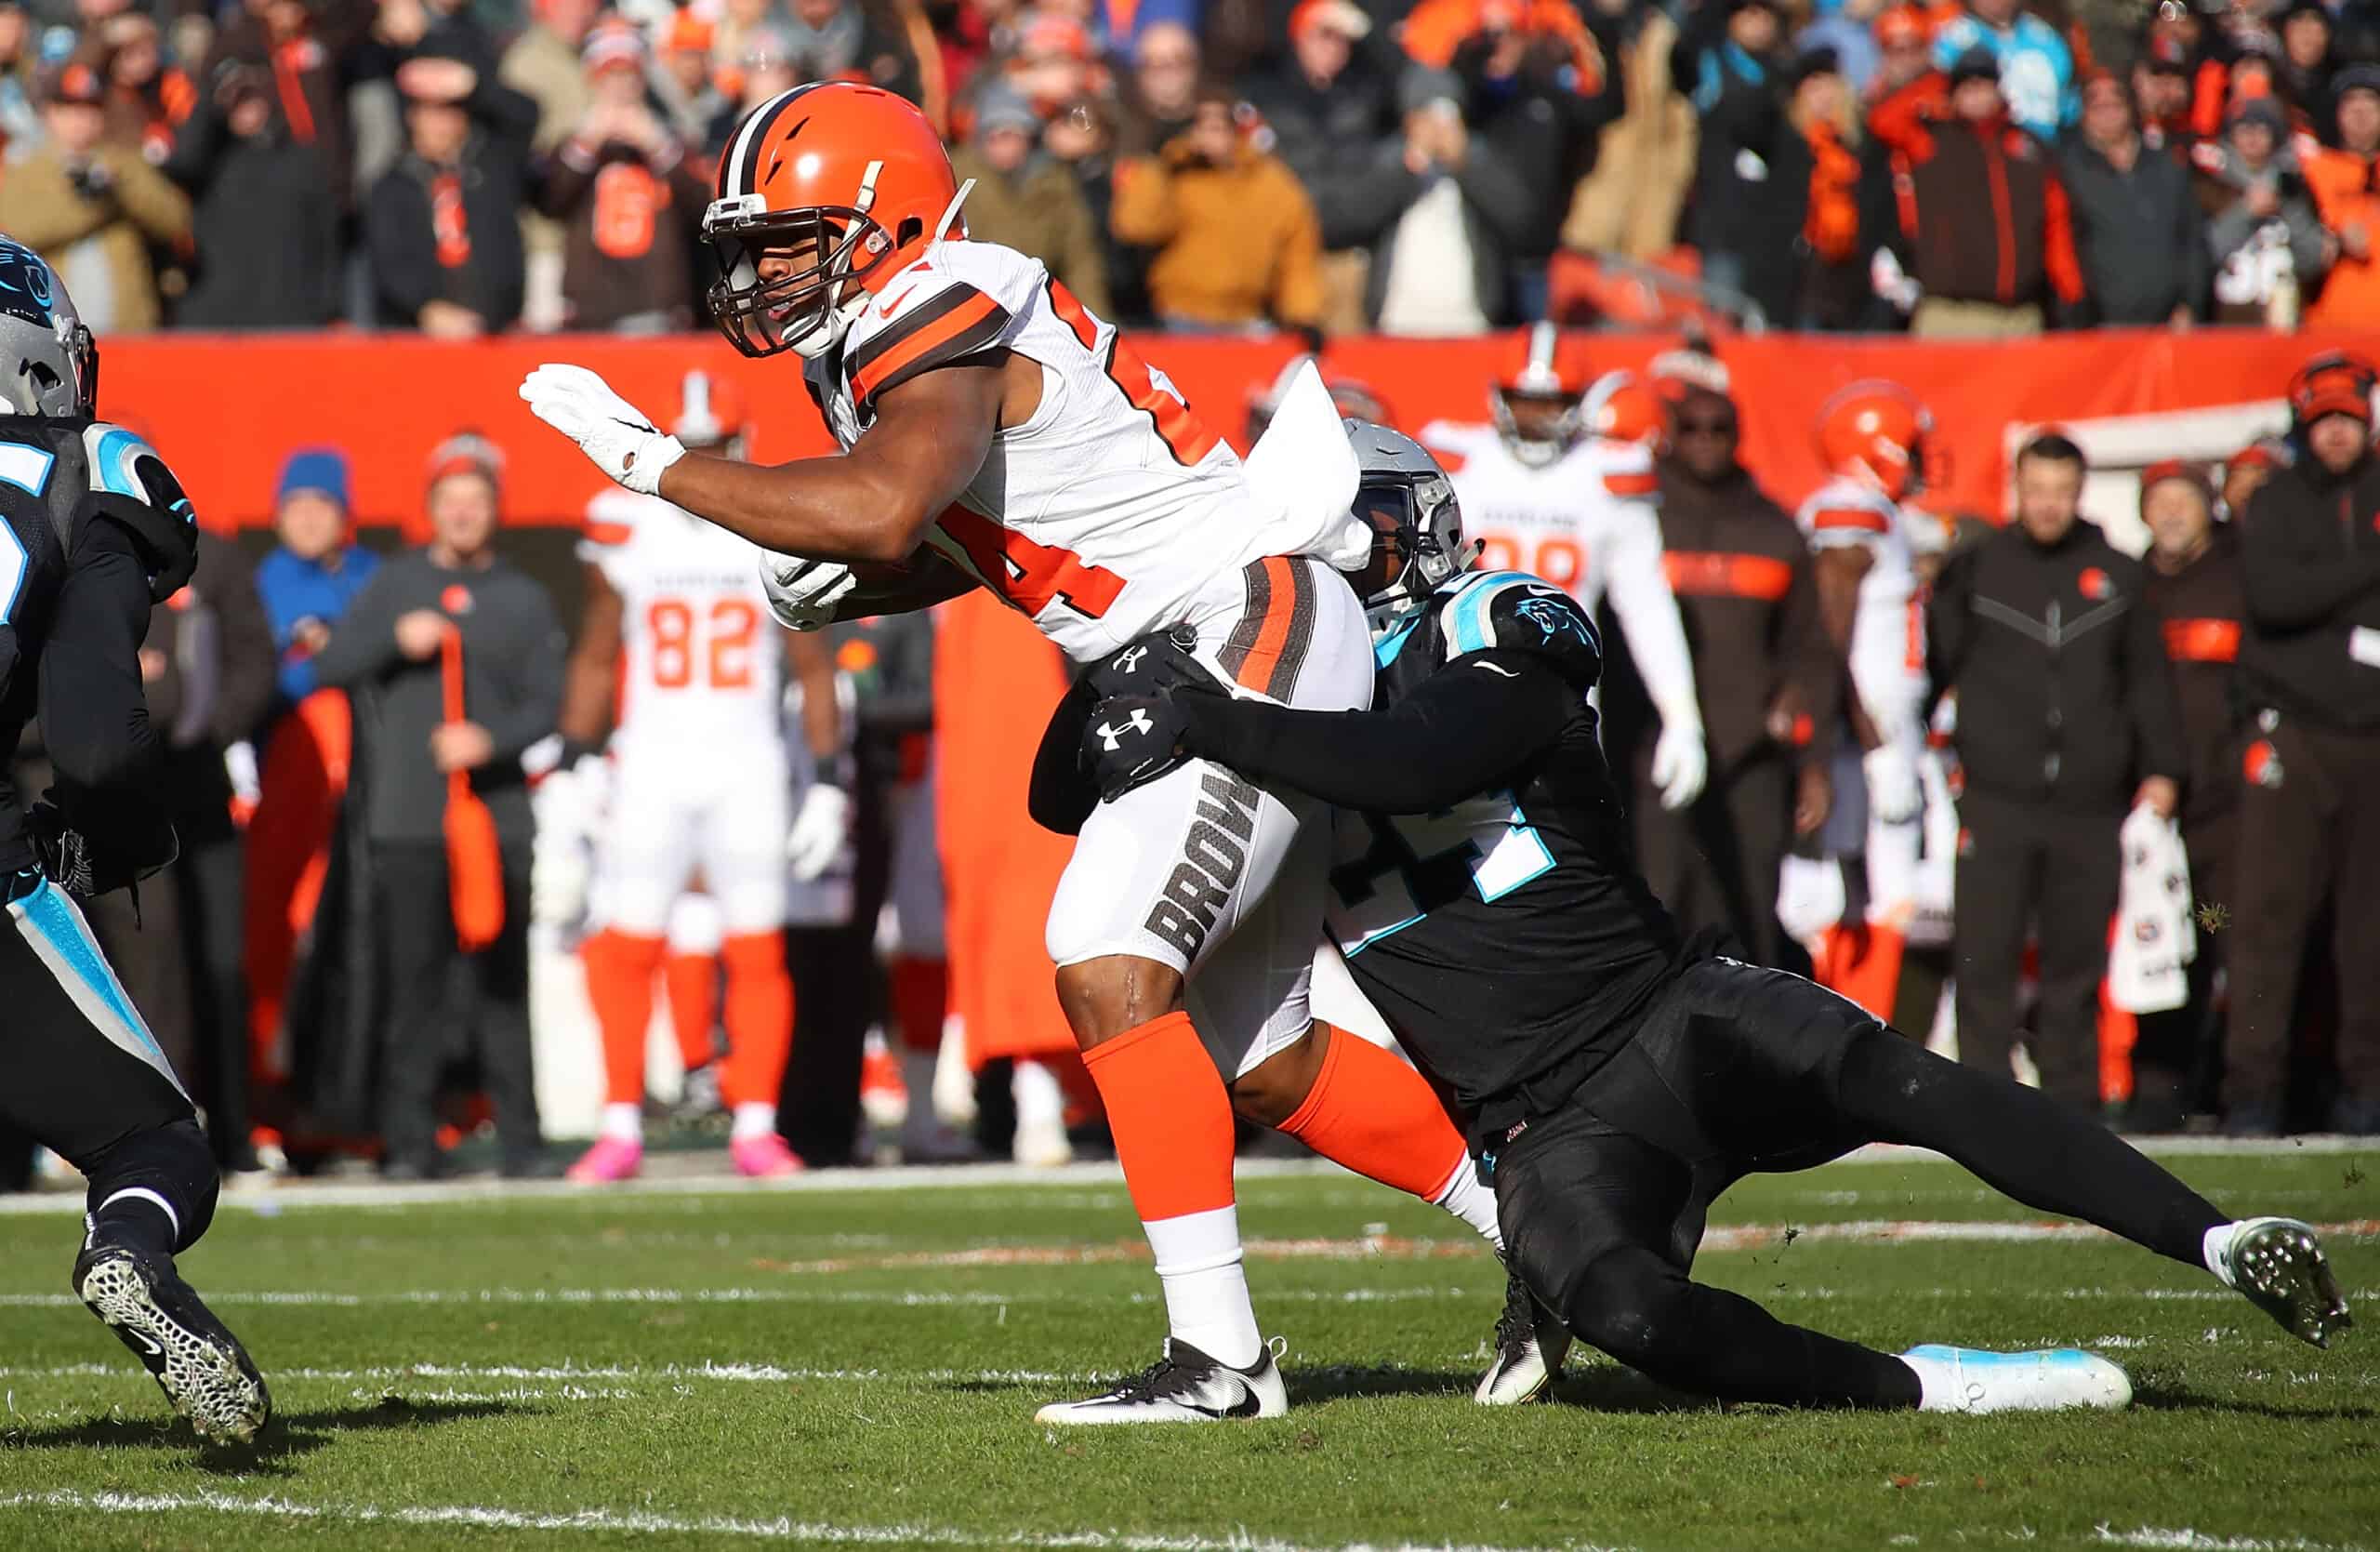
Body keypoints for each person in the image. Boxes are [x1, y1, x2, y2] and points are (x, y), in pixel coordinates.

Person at [521, 81, 1518, 1424]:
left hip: (1237, 621)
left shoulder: (946, 296)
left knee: (1108, 960)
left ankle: (1222, 1361)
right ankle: (1552, 1229)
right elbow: (988, 529)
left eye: (786, 239)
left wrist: (658, 467)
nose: (757, 273)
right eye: (746, 245)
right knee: (1263, 1055)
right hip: (1201, 631)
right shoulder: (882, 334)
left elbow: (886, 508)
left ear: (887, 224)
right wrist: (859, 579)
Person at [1076, 420, 2352, 1416]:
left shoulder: (1500, 616)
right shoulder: (1276, 680)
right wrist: (1131, 671)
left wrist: (1214, 717)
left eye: (1345, 535)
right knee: (1633, 1320)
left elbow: (1419, 760)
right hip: (1537, 1123)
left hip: (1671, 1015)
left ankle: (2221, 1238)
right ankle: (1935, 1382)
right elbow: (1057, 787)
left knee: (1897, 1081)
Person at [0, 236, 268, 1442]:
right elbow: (98, 727)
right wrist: (119, 835)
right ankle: (130, 1254)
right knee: (153, 1142)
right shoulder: (88, 465)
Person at [540, 372, 828, 1182]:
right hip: (655, 765)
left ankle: (757, 1126)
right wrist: (571, 756)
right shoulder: (633, 532)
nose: (705, 462)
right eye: (693, 447)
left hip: (748, 768)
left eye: (716, 446)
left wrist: (830, 777)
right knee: (628, 941)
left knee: (758, 947)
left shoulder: (774, 530)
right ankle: (621, 1124)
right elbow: (598, 651)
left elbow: (812, 663)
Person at [311, 436, 563, 1179]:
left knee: (501, 982)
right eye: (449, 502)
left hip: (495, 820)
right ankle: (410, 1140)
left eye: (475, 501)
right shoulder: (394, 586)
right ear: (429, 512)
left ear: (494, 511)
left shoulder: (524, 598)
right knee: (412, 981)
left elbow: (549, 704)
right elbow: (329, 665)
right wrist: (394, 640)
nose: (462, 514)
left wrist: (489, 739)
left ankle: (522, 1138)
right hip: (410, 821)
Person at [1927, 432, 2186, 1112]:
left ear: (2080, 492)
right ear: (2017, 488)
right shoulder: (1979, 567)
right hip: (1995, 797)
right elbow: (1934, 663)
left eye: (2061, 492)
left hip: (2089, 802)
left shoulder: (2119, 574)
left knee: (2075, 966)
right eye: (2035, 490)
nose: (2047, 505)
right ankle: (1981, 1101)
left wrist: (2162, 770)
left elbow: (2147, 683)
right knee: (1985, 955)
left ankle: (2074, 1105)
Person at [1419, 326, 1708, 816]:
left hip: (1563, 712)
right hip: (1457, 696)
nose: (1535, 418)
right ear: (1499, 397)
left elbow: (1646, 605)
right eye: (1524, 400)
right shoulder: (1456, 459)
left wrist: (1682, 717)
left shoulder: (1607, 474)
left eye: (1550, 403)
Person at [2226, 353, 2380, 1136]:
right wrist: (2365, 573)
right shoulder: (2277, 500)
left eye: (2349, 417)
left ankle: (2367, 1093)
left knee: (2369, 931)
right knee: (2265, 925)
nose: (2338, 433)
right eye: (2324, 419)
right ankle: (2252, 1094)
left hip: (2373, 742)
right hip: (2295, 735)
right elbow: (2277, 600)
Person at [1648, 380, 1837, 969]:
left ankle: (1742, 1054)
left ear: (1739, 437)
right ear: (1670, 436)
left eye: (1719, 429)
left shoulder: (1775, 530)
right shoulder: (1639, 523)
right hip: (1651, 760)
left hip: (1751, 761)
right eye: (1691, 429)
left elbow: (1811, 651)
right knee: (1650, 916)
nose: (1705, 441)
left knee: (1745, 921)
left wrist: (1814, 766)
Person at [1795, 379, 1941, 1015]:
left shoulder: (1874, 512)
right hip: (1865, 730)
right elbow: (1830, 624)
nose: (1920, 457)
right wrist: (1862, 728)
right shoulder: (1851, 507)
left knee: (1874, 890)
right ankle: (1850, 1032)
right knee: (1853, 890)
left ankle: (1857, 1031)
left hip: (1875, 724)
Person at [2134, 459, 2243, 1134]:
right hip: (2147, 806)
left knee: (2222, 938)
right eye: (2160, 500)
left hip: (2227, 808)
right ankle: (2157, 1093)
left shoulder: (2239, 579)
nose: (2173, 512)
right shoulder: (2128, 584)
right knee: (2156, 949)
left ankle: (2219, 1090)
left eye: (2186, 499)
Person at [1884, 50, 2084, 337]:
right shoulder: (1931, 142)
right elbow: (1884, 119)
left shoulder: (2029, 147)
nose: (1977, 92)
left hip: (2020, 315)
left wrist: (2071, 292)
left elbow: (2057, 225)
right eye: (1967, 84)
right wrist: (1937, 82)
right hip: (1952, 315)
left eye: (1985, 82)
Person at [535, 22, 713, 332]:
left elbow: (701, 208)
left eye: (628, 75)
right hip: (591, 310)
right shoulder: (573, 145)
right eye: (610, 77)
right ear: (594, 80)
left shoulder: (671, 142)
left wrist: (659, 148)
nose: (620, 87)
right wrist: (585, 145)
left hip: (657, 306)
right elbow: (549, 202)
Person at [1108, 83, 1325, 334]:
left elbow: (1299, 257)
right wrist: (1158, 162)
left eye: (1218, 127)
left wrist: (1304, 316)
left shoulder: (1271, 182)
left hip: (1249, 319)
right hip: (1179, 317)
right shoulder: (1173, 172)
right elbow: (1135, 226)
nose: (1208, 136)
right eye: (1200, 127)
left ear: (1235, 130)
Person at [0, 55, 192, 334]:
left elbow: (176, 220)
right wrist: (93, 205)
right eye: (71, 110)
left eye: (90, 109)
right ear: (50, 114)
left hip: (128, 327)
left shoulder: (124, 164)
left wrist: (120, 188)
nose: (81, 120)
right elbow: (16, 233)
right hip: (54, 329)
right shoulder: (27, 170)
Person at [364, 52, 539, 336]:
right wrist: (426, 306)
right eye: (431, 113)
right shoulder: (394, 185)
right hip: (419, 334)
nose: (442, 125)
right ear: (413, 118)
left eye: (450, 112)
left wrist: (472, 84)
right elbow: (389, 261)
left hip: (495, 332)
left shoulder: (491, 168)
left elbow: (527, 115)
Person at [945, 84, 1112, 319]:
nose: (1005, 145)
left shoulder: (1055, 181)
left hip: (1037, 308)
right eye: (995, 135)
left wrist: (1095, 322)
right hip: (969, 308)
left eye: (1013, 135)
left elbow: (1079, 259)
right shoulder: (955, 175)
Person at [2061, 71, 2203, 327]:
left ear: (2130, 108)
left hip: (2170, 323)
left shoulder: (2166, 165)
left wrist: (2191, 303)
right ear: (2084, 114)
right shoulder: (2070, 172)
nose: (2107, 115)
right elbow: (2066, 247)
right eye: (2097, 107)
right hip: (2102, 324)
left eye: (2115, 105)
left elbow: (2192, 239)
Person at [256, 449, 379, 711]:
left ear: (344, 514)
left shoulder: (374, 574)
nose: (308, 520)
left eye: (322, 504)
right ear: (278, 518)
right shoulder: (260, 583)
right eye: (296, 506)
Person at [2197, 95, 2329, 328]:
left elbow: (2313, 260)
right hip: (2226, 324)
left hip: (2284, 321)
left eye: (2261, 128)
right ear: (2231, 135)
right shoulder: (2210, 187)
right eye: (2244, 128)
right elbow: (2202, 256)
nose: (2252, 136)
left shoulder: (2294, 187)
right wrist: (2246, 211)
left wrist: (2285, 206)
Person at [2302, 68, 2380, 328]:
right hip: (2329, 327)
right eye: (2351, 105)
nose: (2361, 114)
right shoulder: (2312, 170)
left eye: (2371, 105)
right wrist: (2335, 242)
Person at [1929, 0, 2073, 140]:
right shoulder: (1953, 39)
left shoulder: (2045, 37)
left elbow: (2069, 104)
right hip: (1983, 147)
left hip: (2046, 148)